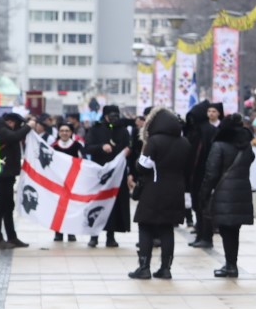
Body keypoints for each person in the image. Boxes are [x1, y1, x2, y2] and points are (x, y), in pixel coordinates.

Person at [128, 107, 190, 280]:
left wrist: (138, 161)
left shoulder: (154, 141)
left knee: (145, 225)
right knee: (167, 229)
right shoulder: (184, 142)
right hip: (176, 189)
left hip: (154, 189)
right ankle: (166, 268)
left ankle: (144, 267)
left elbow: (143, 166)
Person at [198, 114, 255, 278]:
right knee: (234, 230)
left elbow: (211, 173)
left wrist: (204, 194)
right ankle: (232, 263)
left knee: (225, 229)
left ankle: (230, 265)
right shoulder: (246, 146)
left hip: (224, 191)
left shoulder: (219, 145)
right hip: (242, 190)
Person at [85, 105, 133, 248]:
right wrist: (101, 147)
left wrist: (127, 152)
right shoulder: (95, 129)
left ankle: (110, 236)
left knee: (114, 204)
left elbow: (129, 148)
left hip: (117, 175)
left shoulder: (123, 131)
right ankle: (94, 236)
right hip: (100, 173)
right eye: (110, 116)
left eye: (116, 116)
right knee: (97, 203)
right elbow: (87, 147)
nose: (113, 119)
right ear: (105, 116)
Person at [185, 102, 223, 250]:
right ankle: (201, 235)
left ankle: (205, 237)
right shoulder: (198, 131)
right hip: (197, 176)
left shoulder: (207, 131)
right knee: (198, 207)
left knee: (203, 207)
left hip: (203, 175)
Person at [0, 113, 31, 250]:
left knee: (8, 207)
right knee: (0, 207)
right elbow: (15, 136)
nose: (14, 127)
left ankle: (12, 237)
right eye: (13, 123)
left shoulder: (6, 129)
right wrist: (29, 126)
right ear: (8, 121)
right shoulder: (1, 130)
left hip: (8, 175)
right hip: (2, 175)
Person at [50, 123, 82, 242]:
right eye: (62, 130)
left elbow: (82, 163)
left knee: (71, 209)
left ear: (71, 133)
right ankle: (58, 233)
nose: (64, 133)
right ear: (58, 133)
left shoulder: (77, 146)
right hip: (58, 183)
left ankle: (71, 233)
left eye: (67, 131)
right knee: (58, 208)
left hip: (73, 183)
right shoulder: (53, 147)